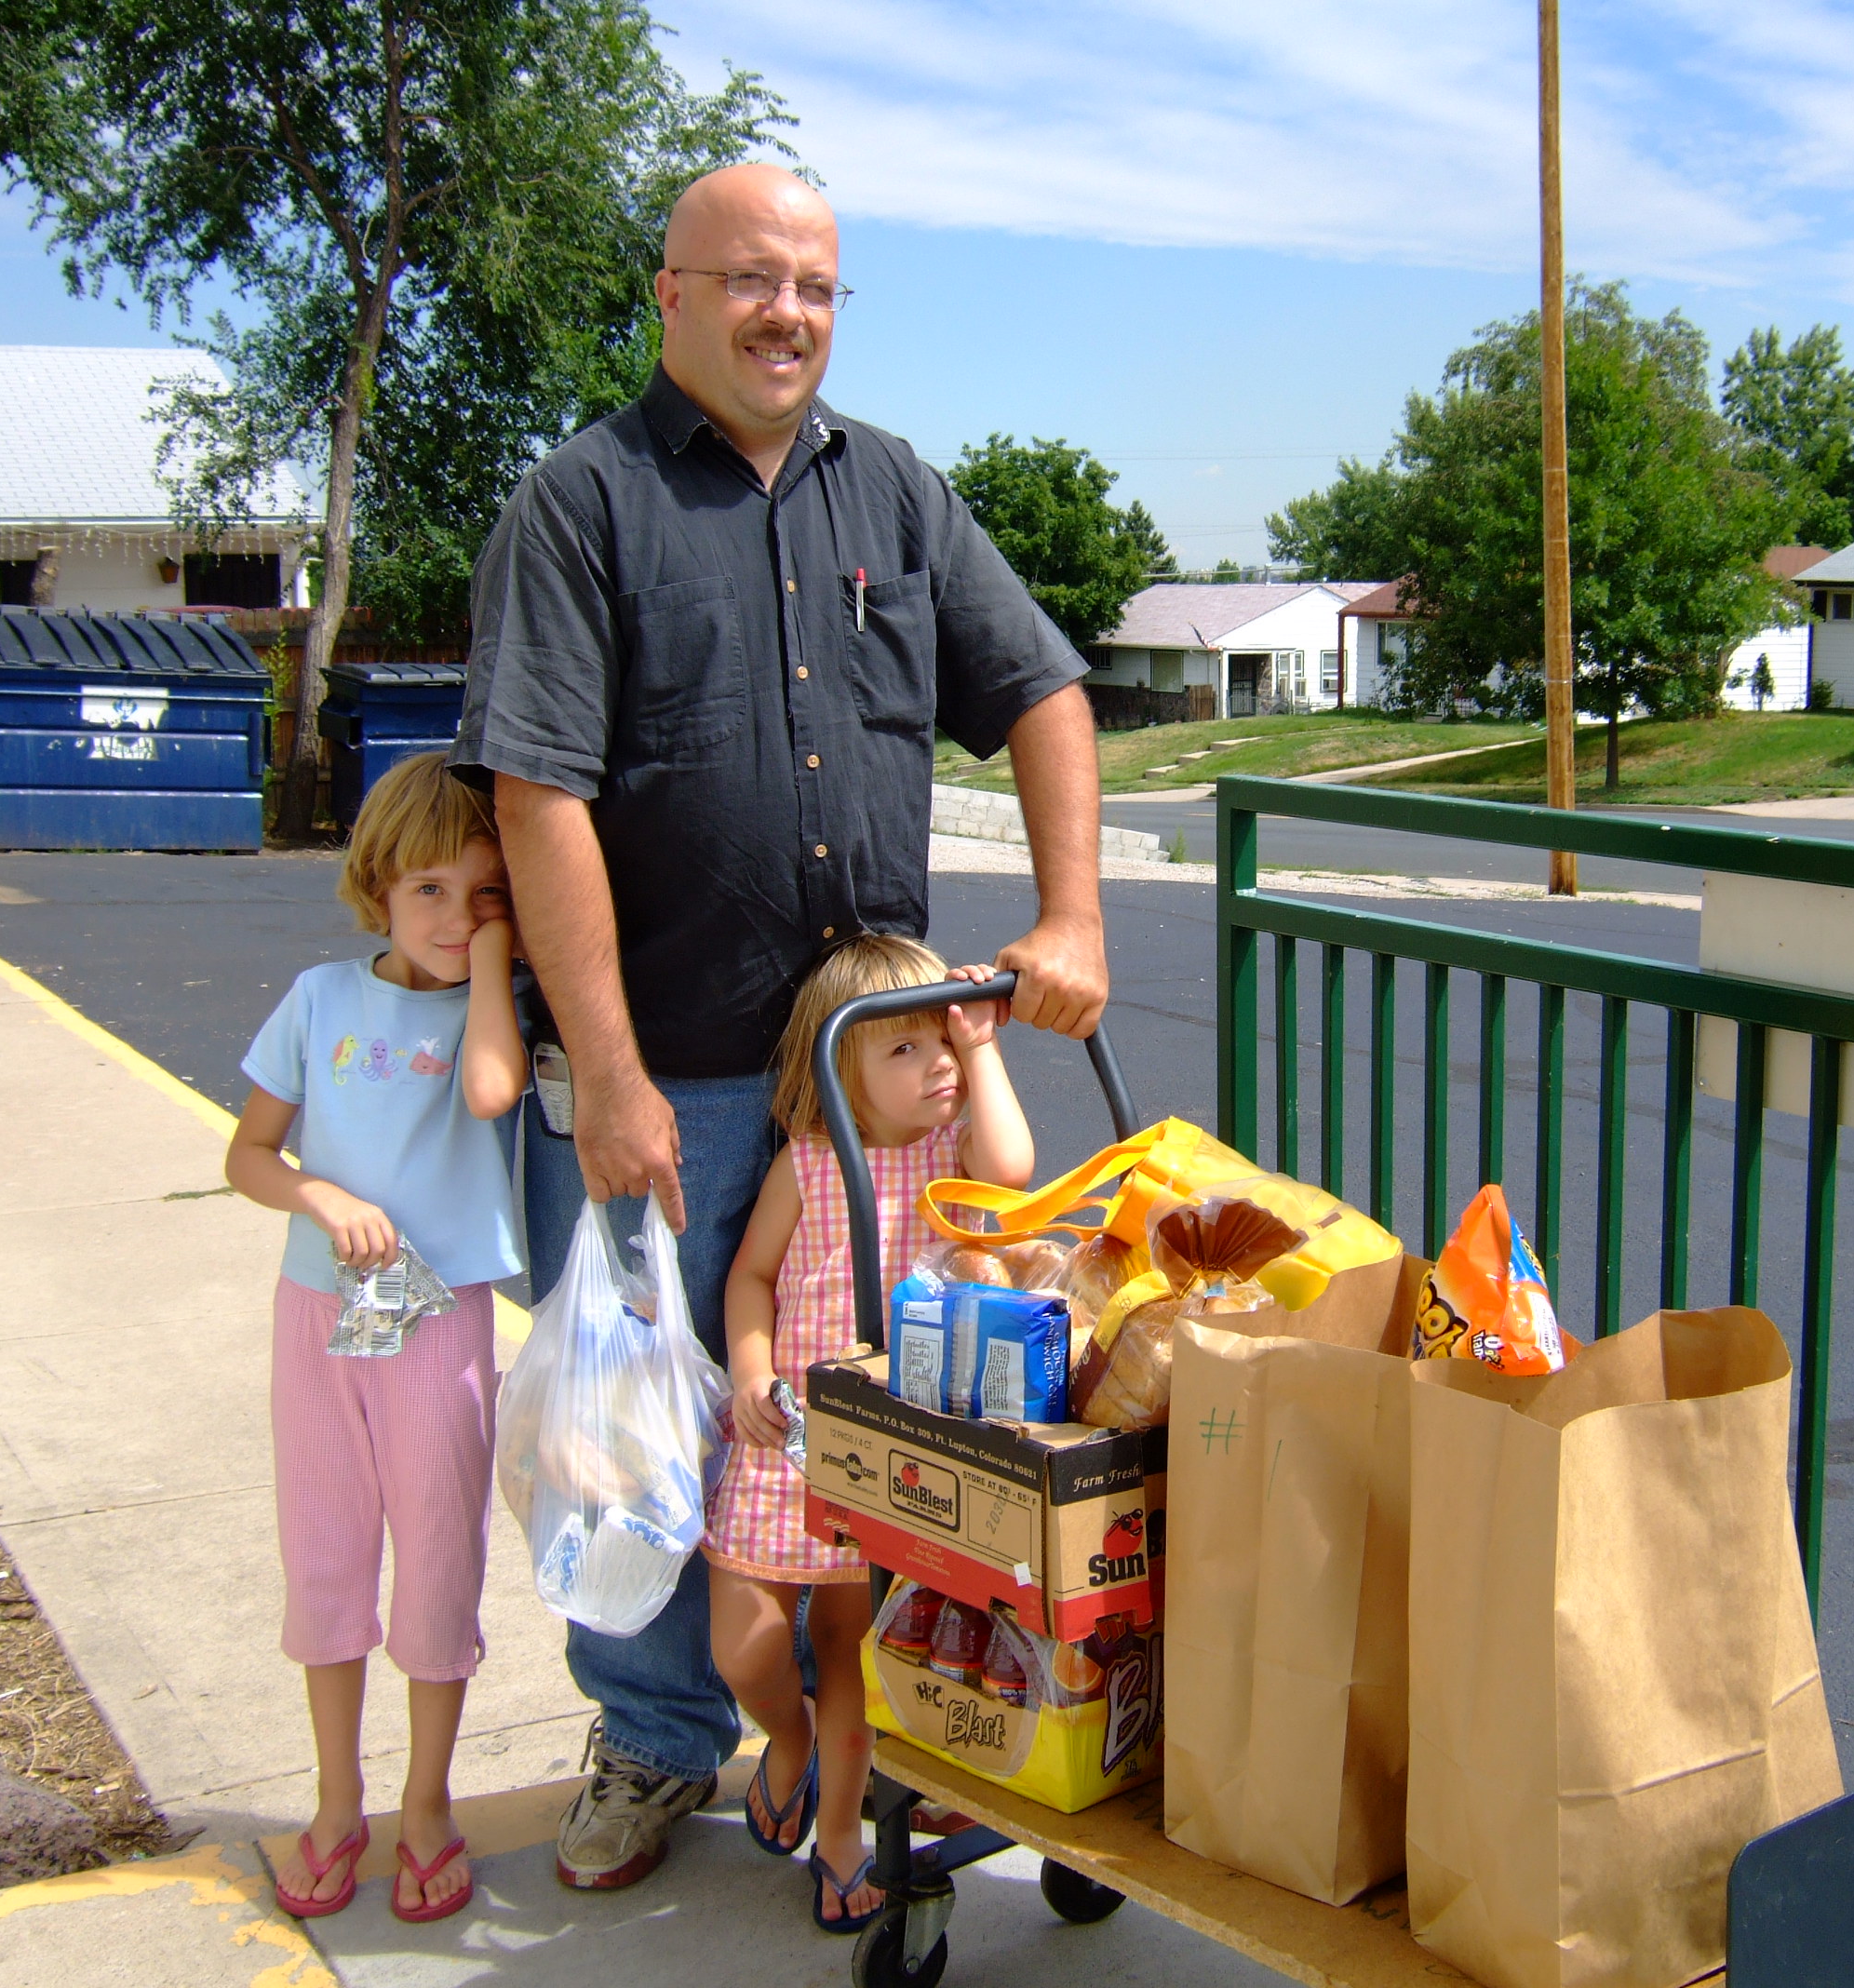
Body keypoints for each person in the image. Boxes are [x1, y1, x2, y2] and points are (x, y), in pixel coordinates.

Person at [450, 158, 1110, 1892]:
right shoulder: (578, 505)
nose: (784, 314)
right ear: (667, 293)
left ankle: (875, 1724)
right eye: (749, 280)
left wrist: (1070, 914)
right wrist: (599, 1071)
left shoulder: (892, 489)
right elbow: (538, 792)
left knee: (895, 1422)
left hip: (871, 1090)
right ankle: (654, 1740)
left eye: (814, 285)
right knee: (648, 1432)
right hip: (667, 1070)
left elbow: (1041, 685)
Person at [222, 752, 530, 1926]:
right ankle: (338, 1799)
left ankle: (427, 1801)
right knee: (327, 1553)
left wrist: (495, 959)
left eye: (483, 895)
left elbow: (493, 1092)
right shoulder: (318, 1001)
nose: (454, 919)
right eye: (430, 893)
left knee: (439, 1564)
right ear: (378, 890)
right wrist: (318, 1197)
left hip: (436, 1316)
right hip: (323, 1313)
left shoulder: (489, 1009)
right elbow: (248, 1156)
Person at [706, 934, 1034, 1929]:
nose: (934, 1062)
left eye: (940, 1040)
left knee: (855, 1654)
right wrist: (752, 1371)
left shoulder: (957, 1160)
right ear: (840, 1072)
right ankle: (789, 1740)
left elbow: (1015, 1171)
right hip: (788, 1433)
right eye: (902, 1050)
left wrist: (982, 1045)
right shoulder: (809, 1165)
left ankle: (843, 1836)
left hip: (881, 1454)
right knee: (747, 1645)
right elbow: (752, 1276)